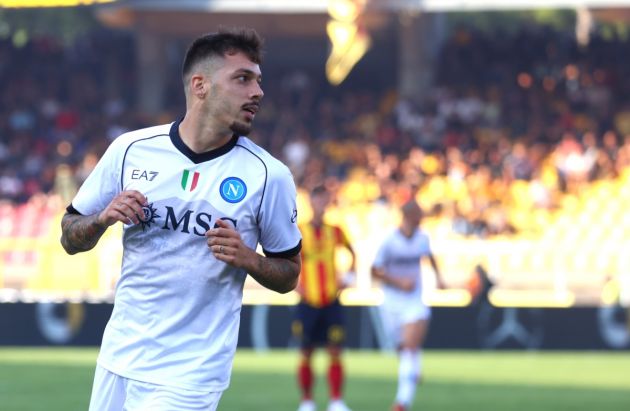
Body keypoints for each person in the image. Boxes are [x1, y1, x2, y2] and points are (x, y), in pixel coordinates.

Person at [60, 28, 302, 411]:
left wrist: (250, 259)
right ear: (200, 85)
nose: (257, 92)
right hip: (119, 359)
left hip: (192, 373)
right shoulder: (130, 150)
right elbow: (70, 237)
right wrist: (102, 218)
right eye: (243, 79)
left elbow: (290, 273)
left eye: (258, 80)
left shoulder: (268, 175)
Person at [370, 200, 445, 411]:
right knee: (402, 348)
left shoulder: (423, 238)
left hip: (414, 302)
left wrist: (440, 278)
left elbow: (430, 257)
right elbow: (375, 270)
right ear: (407, 217)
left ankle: (403, 402)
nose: (420, 221)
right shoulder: (389, 241)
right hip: (391, 304)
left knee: (409, 348)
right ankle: (414, 368)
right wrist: (398, 282)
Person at [293, 185, 356, 411]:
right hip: (308, 301)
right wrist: (296, 287)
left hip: (331, 300)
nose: (321, 205)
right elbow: (286, 259)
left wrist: (349, 277)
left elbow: (352, 253)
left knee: (335, 351)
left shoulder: (336, 231)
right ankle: (307, 401)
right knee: (306, 352)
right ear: (311, 203)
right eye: (317, 200)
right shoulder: (299, 231)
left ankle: (336, 400)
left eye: (324, 201)